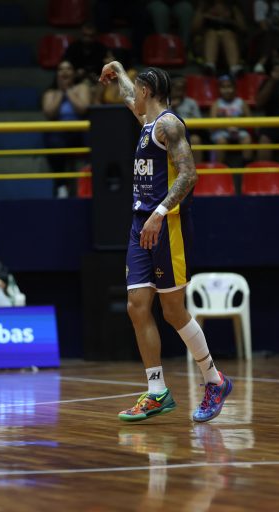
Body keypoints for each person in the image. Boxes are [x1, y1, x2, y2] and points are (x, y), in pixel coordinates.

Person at [98, 62, 232, 423]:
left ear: (147, 91)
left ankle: (214, 381)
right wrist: (119, 72)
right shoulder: (147, 122)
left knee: (173, 311)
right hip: (140, 223)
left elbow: (189, 174)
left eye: (136, 91)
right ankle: (157, 392)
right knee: (136, 306)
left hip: (166, 224)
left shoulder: (169, 125)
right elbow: (129, 97)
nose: (133, 98)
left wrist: (159, 212)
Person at [42, 60, 91, 198]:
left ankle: (90, 181)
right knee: (52, 139)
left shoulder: (81, 88)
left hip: (79, 131)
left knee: (92, 134)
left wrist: (68, 91)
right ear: (57, 74)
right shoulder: (50, 93)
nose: (64, 72)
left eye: (68, 68)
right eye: (61, 69)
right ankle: (61, 185)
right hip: (60, 133)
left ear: (74, 73)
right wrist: (60, 93)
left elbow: (83, 108)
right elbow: (49, 113)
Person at [192, 0, 246, 77]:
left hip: (229, 48)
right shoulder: (204, 5)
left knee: (227, 34)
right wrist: (205, 15)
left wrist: (226, 20)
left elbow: (243, 28)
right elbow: (194, 29)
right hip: (206, 46)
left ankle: (235, 68)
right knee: (212, 33)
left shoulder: (233, 7)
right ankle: (209, 67)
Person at [209, 74, 253, 164]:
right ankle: (219, 166)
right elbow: (212, 124)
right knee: (221, 140)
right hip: (221, 131)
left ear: (235, 88)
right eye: (223, 87)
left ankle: (246, 165)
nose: (227, 90)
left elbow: (250, 121)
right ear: (219, 89)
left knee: (247, 139)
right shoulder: (217, 104)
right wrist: (226, 127)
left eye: (229, 87)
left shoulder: (241, 102)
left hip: (239, 130)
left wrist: (238, 126)